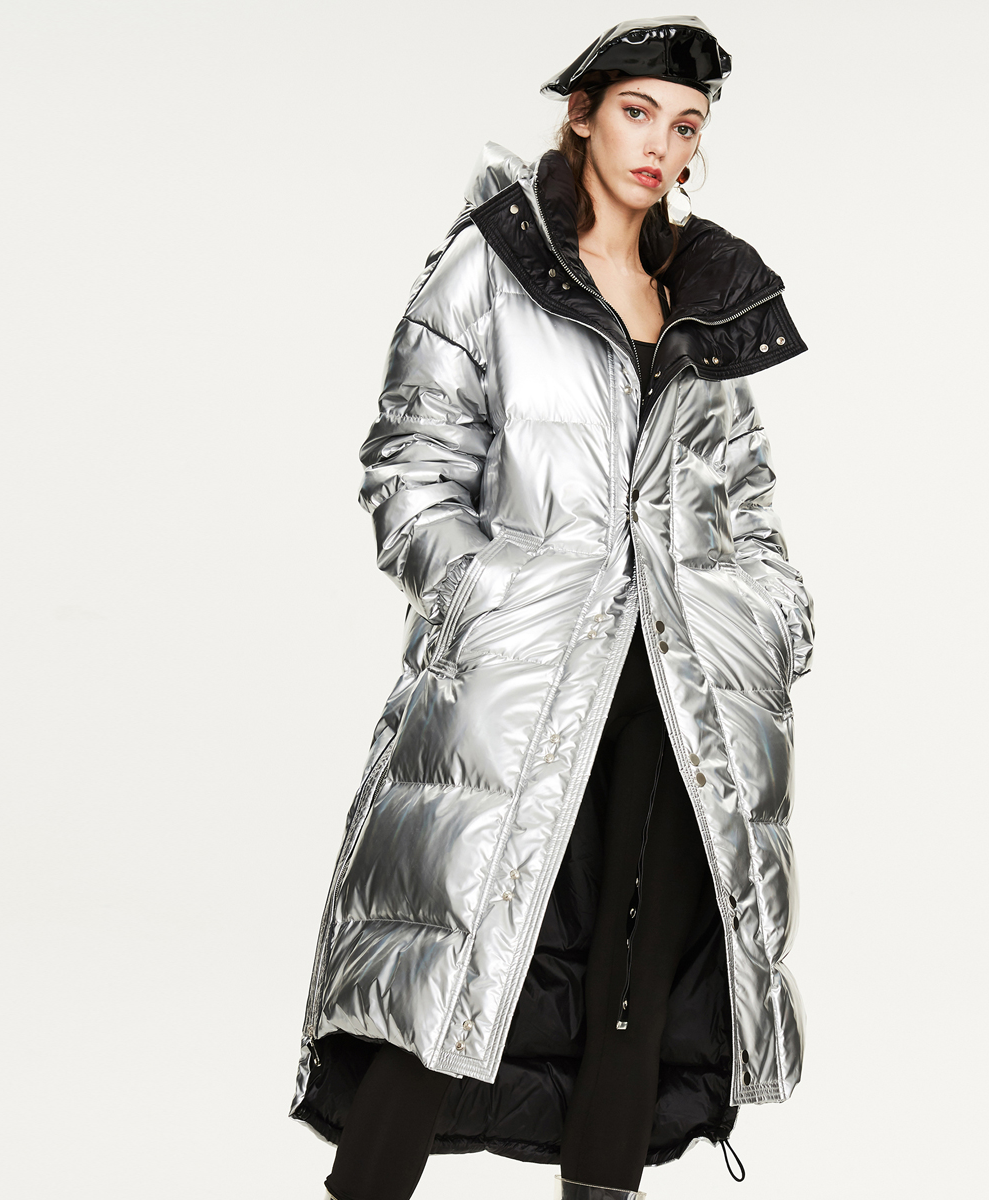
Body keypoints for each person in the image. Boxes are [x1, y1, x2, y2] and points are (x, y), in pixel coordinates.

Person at [290, 17, 815, 1200]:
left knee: (636, 992)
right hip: (524, 683)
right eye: (638, 113)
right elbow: (411, 468)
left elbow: (745, 500)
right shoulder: (490, 266)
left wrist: (772, 620)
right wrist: (482, 602)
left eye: (686, 127)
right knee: (458, 960)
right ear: (581, 115)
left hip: (682, 690)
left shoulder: (705, 297)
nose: (661, 145)